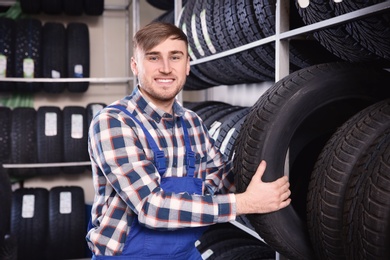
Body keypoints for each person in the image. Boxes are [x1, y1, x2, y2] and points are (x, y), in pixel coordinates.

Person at [86, 21, 291, 260]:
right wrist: (244, 203)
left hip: (185, 253)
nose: (165, 68)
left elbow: (224, 179)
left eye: (175, 57)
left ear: (187, 66)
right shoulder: (114, 122)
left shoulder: (191, 122)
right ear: (135, 65)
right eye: (153, 58)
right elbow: (150, 208)